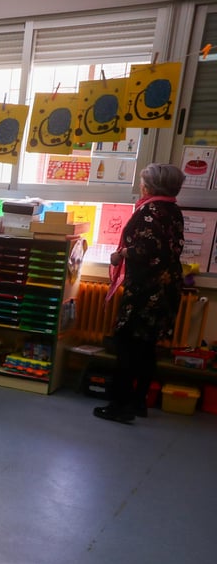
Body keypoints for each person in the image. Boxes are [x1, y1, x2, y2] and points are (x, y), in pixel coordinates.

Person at [94, 163, 185, 424]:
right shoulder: (172, 209)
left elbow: (145, 250)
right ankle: (138, 403)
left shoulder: (150, 210)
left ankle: (119, 406)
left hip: (147, 289)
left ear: (151, 186)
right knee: (146, 348)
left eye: (144, 181)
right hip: (167, 286)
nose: (140, 185)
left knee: (127, 345)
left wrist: (121, 254)